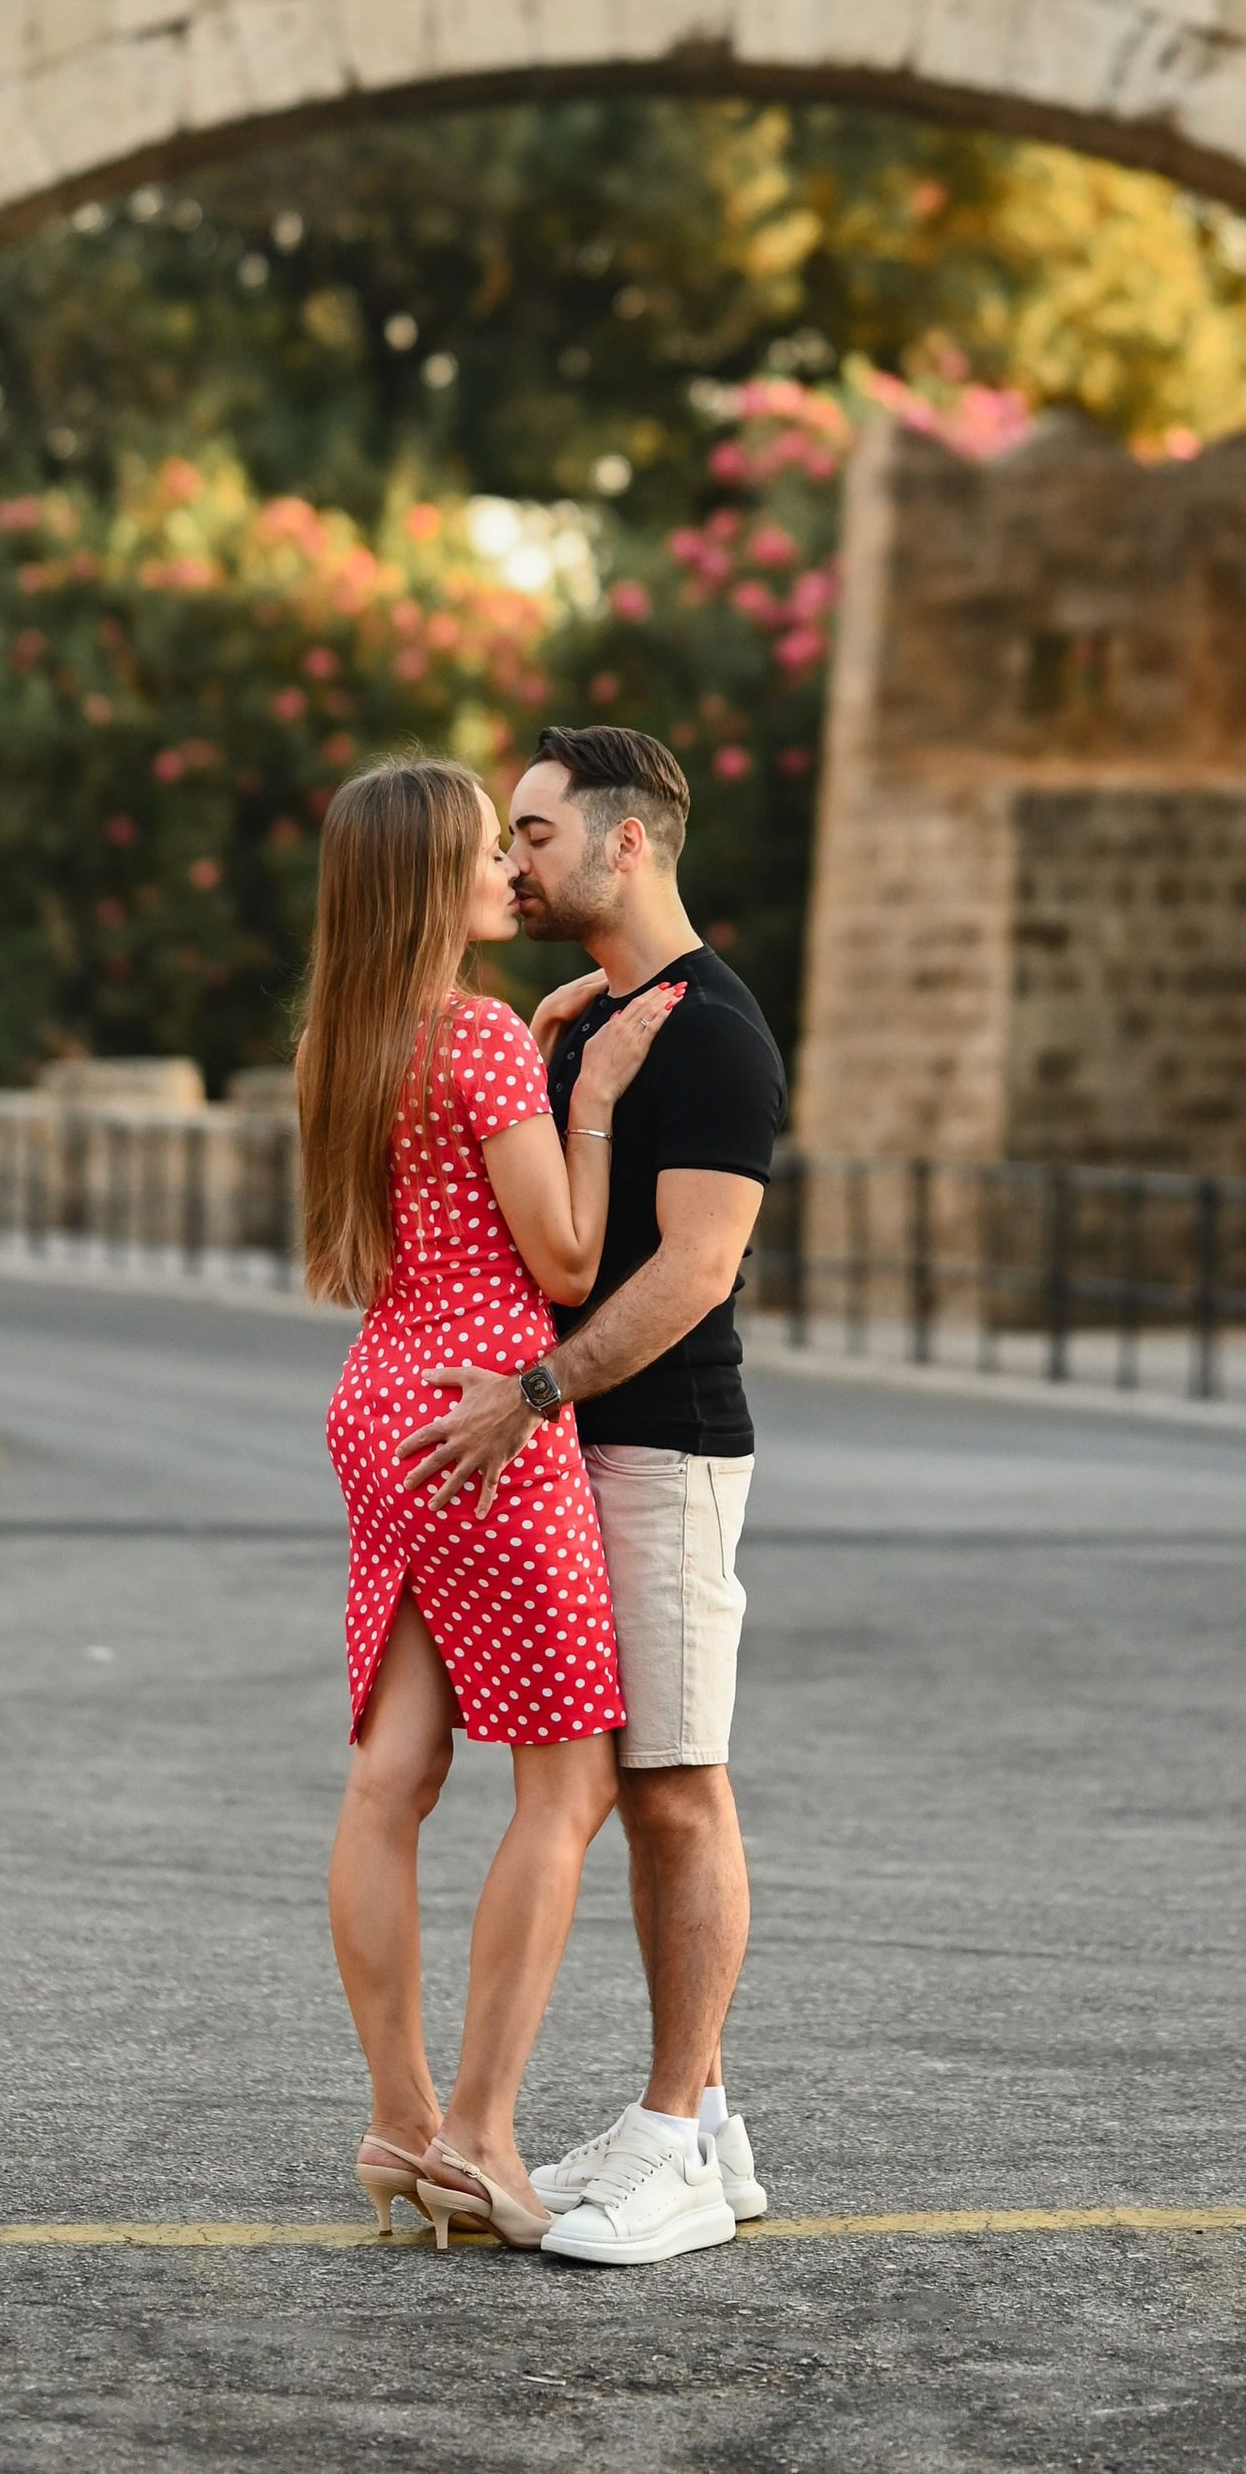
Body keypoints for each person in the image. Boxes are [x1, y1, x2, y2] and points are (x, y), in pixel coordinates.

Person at [396, 722, 786, 2272]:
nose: (517, 859)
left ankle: (676, 2135)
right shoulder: (595, 1021)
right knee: (622, 1789)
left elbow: (694, 1270)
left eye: (539, 832)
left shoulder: (710, 1035)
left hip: (664, 1450)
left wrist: (540, 1389)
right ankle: (707, 2125)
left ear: (631, 843)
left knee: (677, 1784)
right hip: (581, 1451)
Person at [304, 753, 682, 2252]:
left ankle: (398, 2123)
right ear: (423, 883)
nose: (505, 875)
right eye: (479, 853)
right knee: (569, 1785)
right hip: (484, 1422)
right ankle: (482, 2132)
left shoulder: (345, 1040)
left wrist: (521, 1054)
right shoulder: (473, 1040)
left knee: (390, 1778)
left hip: (377, 1405)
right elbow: (572, 1261)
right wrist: (584, 1093)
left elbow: (414, 1206)